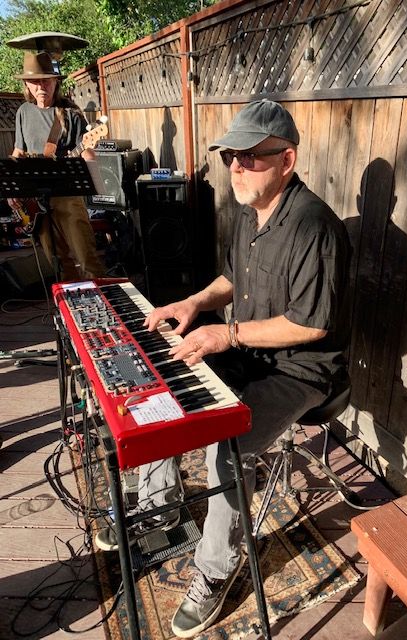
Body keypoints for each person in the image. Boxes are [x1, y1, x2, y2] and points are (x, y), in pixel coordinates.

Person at [96, 99, 351, 638]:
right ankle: (161, 509)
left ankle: (216, 568)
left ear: (287, 160)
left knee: (228, 446)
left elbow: (310, 326)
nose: (237, 166)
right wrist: (193, 304)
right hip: (249, 349)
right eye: (231, 156)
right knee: (164, 386)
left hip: (301, 370)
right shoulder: (249, 211)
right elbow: (232, 280)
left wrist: (227, 334)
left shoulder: (315, 227)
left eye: (250, 156)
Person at [8, 51, 105, 281]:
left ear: (55, 82)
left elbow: (86, 150)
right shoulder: (23, 112)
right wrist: (13, 190)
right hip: (35, 200)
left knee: (87, 258)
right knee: (58, 262)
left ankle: (102, 299)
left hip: (67, 196)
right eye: (35, 81)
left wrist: (91, 164)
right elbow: (18, 152)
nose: (41, 86)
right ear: (27, 84)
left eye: (46, 80)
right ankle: (70, 301)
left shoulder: (71, 113)